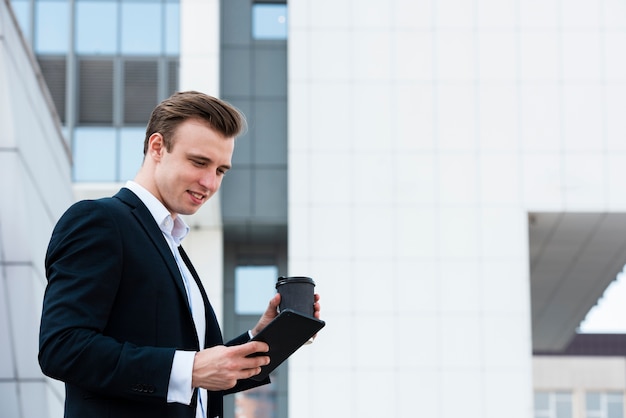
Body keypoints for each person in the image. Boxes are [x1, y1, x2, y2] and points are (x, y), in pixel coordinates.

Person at [38, 91, 321, 418]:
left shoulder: (172, 245)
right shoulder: (100, 221)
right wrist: (191, 369)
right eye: (199, 162)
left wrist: (261, 337)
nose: (209, 182)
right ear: (157, 147)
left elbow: (200, 374)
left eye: (220, 170)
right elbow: (62, 348)